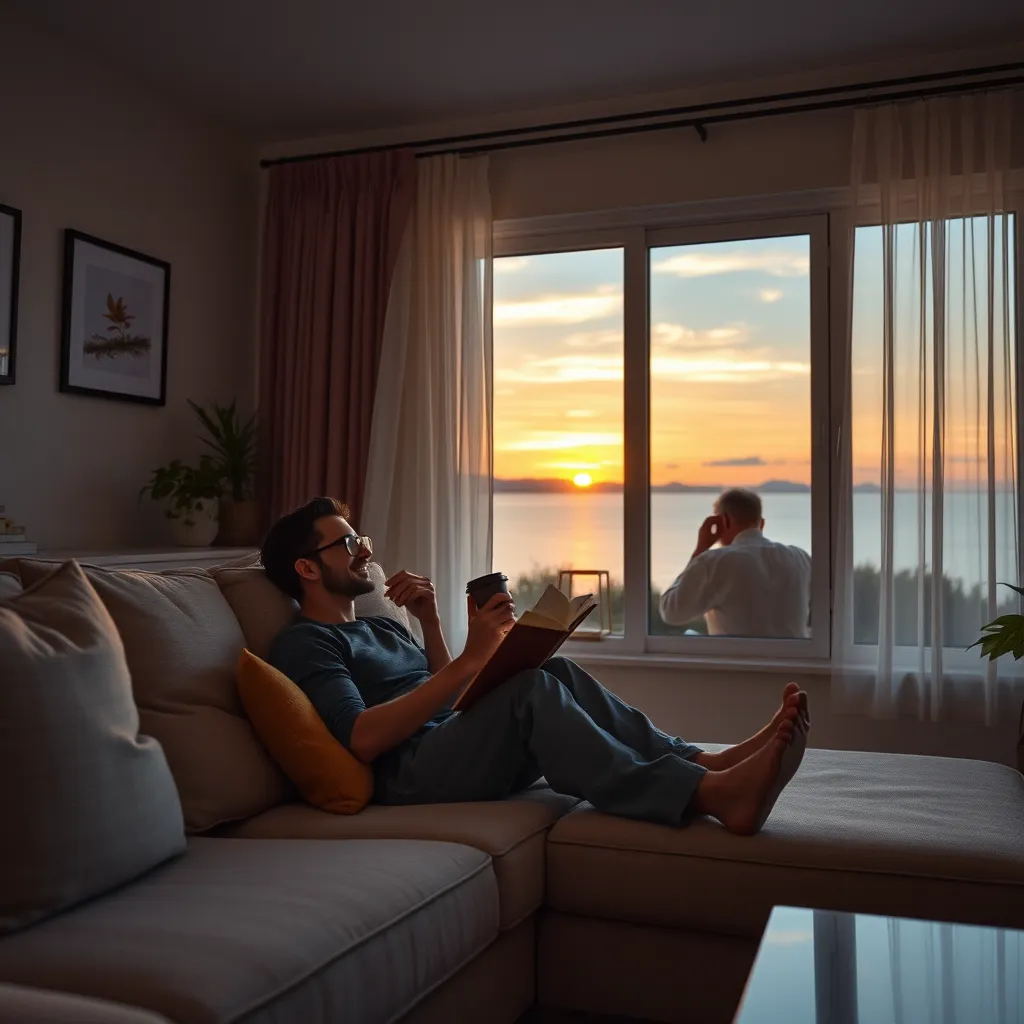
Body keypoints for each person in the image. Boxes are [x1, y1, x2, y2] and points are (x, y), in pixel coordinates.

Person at [261, 496, 809, 835]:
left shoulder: (378, 624)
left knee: (555, 674)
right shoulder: (306, 644)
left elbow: (443, 695)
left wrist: (429, 622)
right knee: (529, 694)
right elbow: (361, 739)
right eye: (349, 542)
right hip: (409, 775)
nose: (364, 550)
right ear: (307, 567)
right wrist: (478, 657)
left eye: (362, 539)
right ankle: (709, 797)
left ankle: (701, 762)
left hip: (448, 742)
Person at [659, 488, 811, 638]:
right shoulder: (800, 557)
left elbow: (671, 612)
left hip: (736, 660)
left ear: (724, 521)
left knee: (689, 635)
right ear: (762, 524)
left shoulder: (715, 562)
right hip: (793, 660)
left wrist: (700, 550)